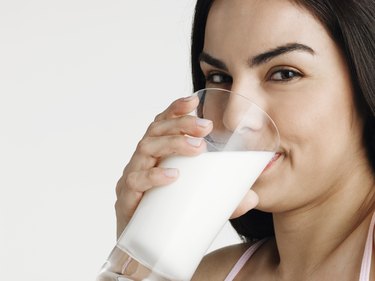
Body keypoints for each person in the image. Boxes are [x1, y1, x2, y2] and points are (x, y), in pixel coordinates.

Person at [115, 0, 375, 280]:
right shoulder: (205, 275)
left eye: (284, 74)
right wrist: (139, 261)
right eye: (219, 77)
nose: (234, 118)